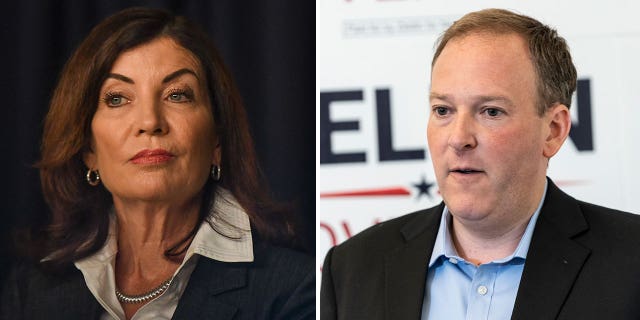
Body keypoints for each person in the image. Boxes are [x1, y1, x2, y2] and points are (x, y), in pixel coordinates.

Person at [321, 8, 640, 320]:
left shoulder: (631, 262)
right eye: (443, 110)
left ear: (553, 130)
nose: (459, 139)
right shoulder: (352, 268)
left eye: (490, 111)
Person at [1, 7, 314, 320]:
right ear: (88, 150)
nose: (150, 121)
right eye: (117, 98)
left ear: (216, 141)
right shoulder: (31, 291)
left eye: (177, 95)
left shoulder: (295, 289)